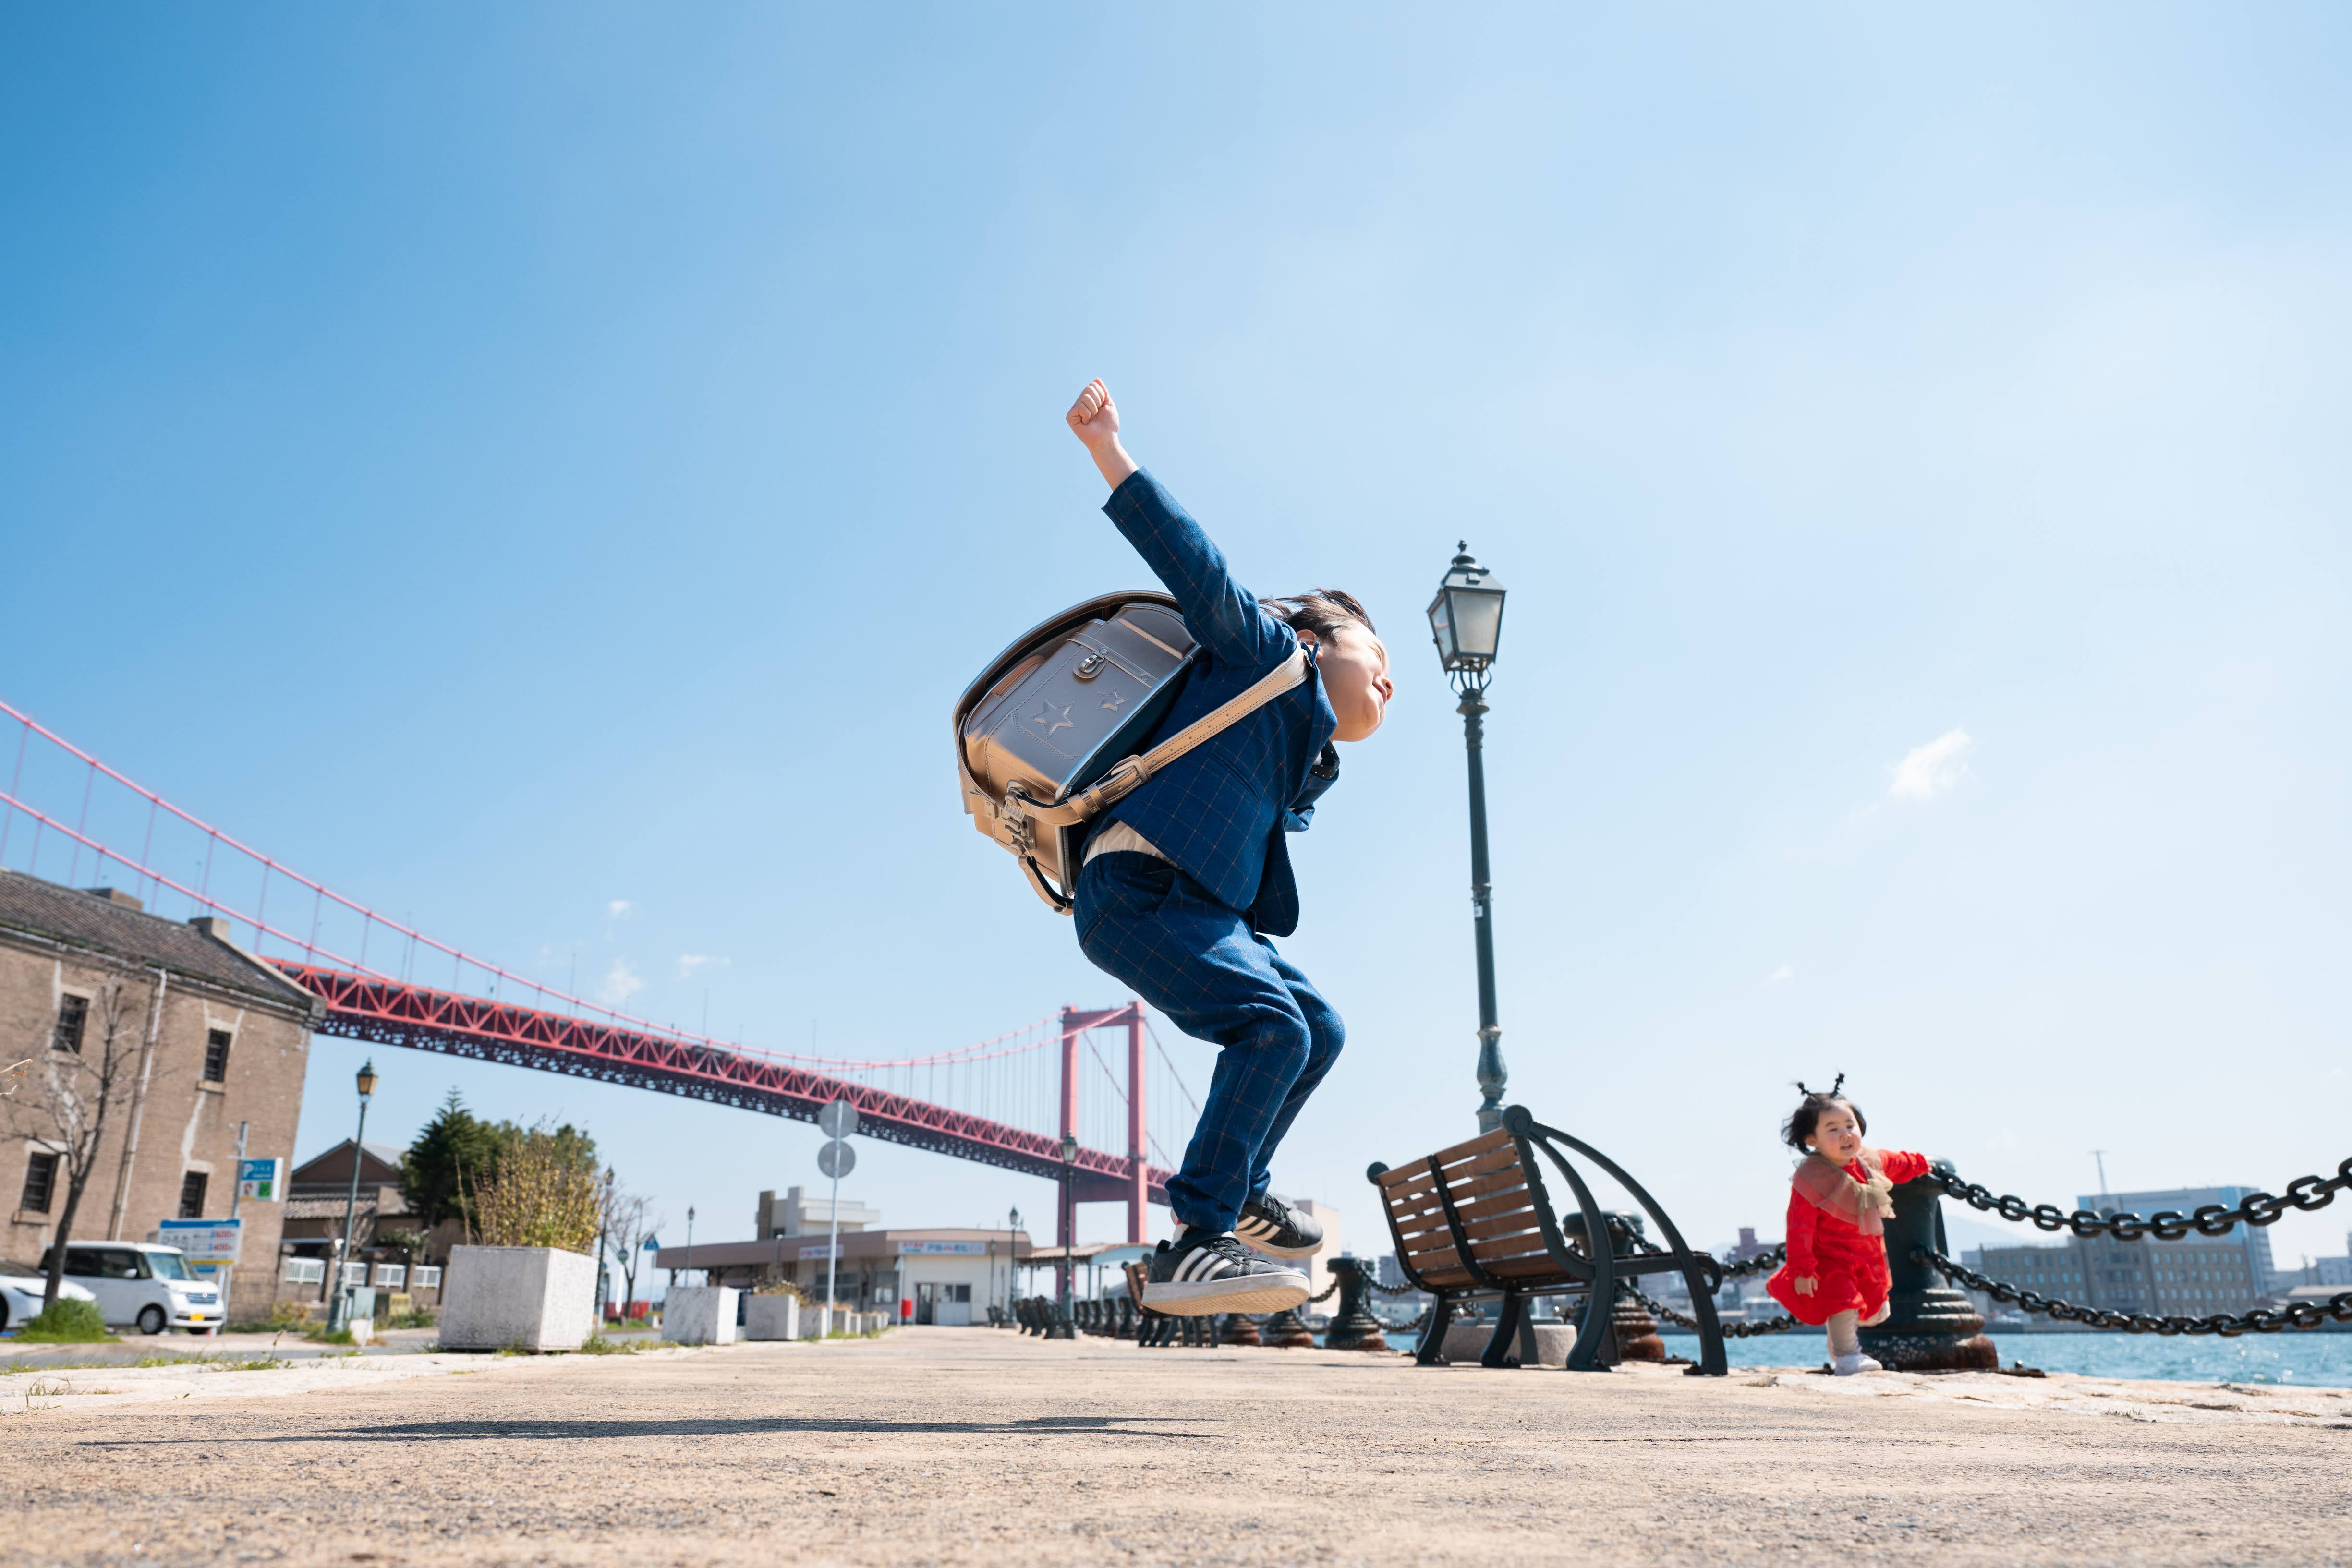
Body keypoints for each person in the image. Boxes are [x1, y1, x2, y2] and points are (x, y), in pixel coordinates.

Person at [1063, 378, 1393, 1315]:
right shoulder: (1261, 652)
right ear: (1316, 639)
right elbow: (1193, 561)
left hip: (1196, 905)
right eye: (1380, 658)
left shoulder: (1306, 758)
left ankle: (1241, 1189)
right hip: (1138, 882)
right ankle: (1199, 1236)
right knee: (1271, 1027)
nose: (1390, 683)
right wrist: (1108, 450)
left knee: (1315, 1027)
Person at [1763, 1076, 1929, 1375]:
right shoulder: (1812, 1177)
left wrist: (1922, 1163)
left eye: (1850, 1125)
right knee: (1843, 1300)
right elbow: (1799, 1227)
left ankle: (1843, 1347)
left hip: (1866, 1255)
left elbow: (1899, 1163)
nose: (1845, 1134)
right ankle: (1848, 1357)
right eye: (1833, 1129)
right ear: (1811, 1140)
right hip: (1829, 1257)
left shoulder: (1869, 1161)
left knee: (1875, 1310)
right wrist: (1803, 1269)